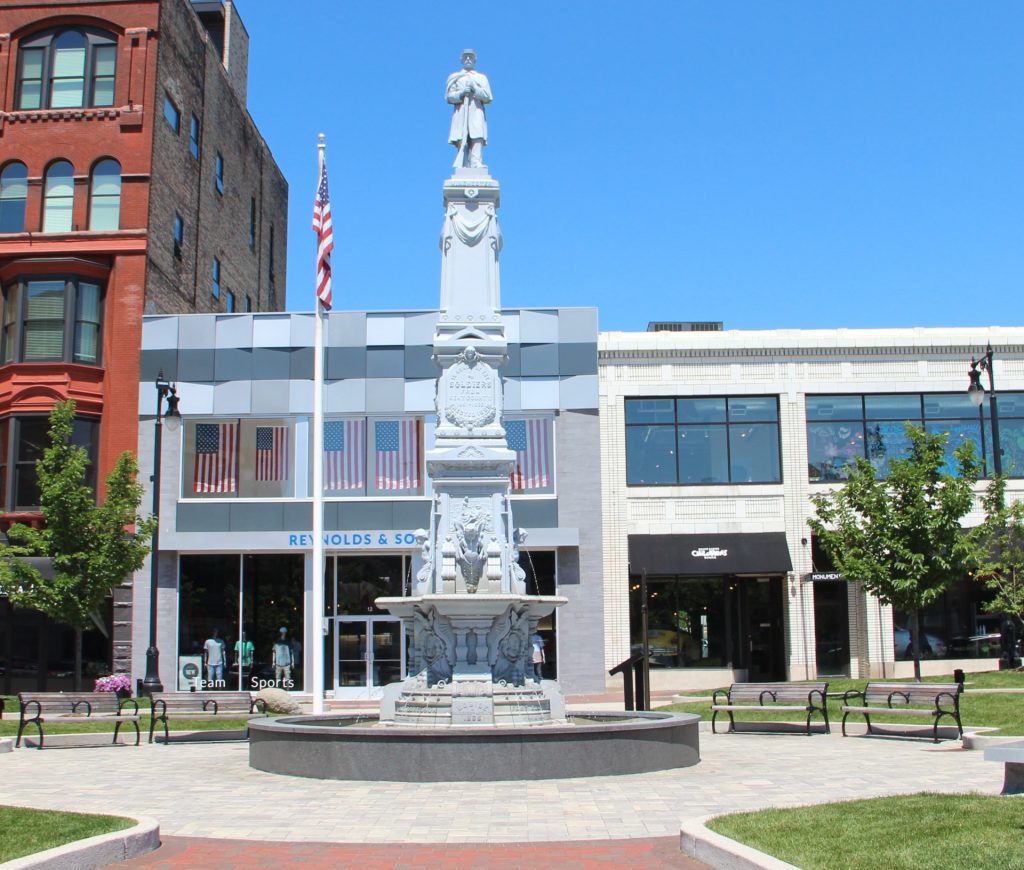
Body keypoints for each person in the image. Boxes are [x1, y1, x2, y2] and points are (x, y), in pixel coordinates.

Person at [446, 49, 492, 169]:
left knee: (477, 135)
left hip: (476, 110)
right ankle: (464, 163)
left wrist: (474, 88)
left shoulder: (481, 78)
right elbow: (449, 97)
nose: (468, 59)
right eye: (465, 57)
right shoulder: (455, 77)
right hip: (461, 111)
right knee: (462, 136)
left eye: (470, 57)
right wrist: (461, 93)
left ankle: (476, 162)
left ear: (474, 60)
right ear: (461, 60)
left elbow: (487, 97)